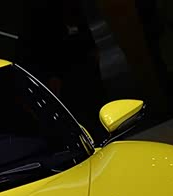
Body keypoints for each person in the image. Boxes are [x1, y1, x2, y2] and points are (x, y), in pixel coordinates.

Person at [16, 0, 106, 138]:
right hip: (64, 68)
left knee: (91, 104)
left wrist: (90, 46)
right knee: (78, 110)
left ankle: (97, 132)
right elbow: (37, 44)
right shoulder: (38, 14)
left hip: (77, 63)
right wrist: (51, 74)